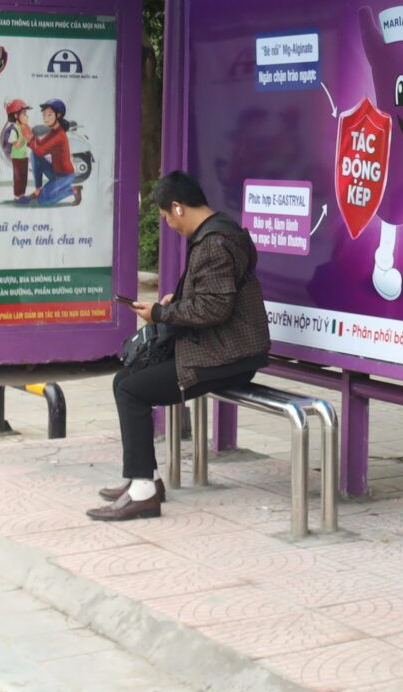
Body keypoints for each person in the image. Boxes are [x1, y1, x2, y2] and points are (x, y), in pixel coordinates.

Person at [91, 171, 271, 522]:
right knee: (125, 380)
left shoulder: (214, 242)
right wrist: (176, 302)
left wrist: (160, 313)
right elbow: (215, 296)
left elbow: (214, 309)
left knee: (131, 390)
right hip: (223, 347)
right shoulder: (219, 232)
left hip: (228, 355)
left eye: (166, 217)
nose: (169, 225)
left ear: (178, 207)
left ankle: (143, 494)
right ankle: (144, 478)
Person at [26, 99, 82, 206]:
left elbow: (41, 151)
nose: (45, 118)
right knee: (34, 154)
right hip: (55, 172)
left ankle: (73, 190)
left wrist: (30, 140)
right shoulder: (53, 131)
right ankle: (38, 189)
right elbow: (41, 144)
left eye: (49, 115)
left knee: (43, 201)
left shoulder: (59, 135)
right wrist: (33, 137)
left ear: (58, 115)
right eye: (44, 115)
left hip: (65, 176)